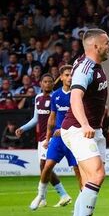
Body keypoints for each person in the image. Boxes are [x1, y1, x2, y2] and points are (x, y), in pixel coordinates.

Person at [59, 29, 109, 216]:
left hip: (94, 130)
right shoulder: (85, 67)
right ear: (95, 46)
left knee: (93, 179)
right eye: (107, 43)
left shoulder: (94, 66)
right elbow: (75, 97)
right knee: (97, 174)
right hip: (78, 129)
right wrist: (85, 124)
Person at [16, 73, 73, 209]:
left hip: (53, 137)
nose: (47, 84)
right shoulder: (37, 98)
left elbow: (58, 117)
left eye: (50, 82)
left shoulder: (56, 97)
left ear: (54, 84)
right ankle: (52, 197)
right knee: (43, 167)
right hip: (41, 137)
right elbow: (36, 119)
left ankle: (56, 195)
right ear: (41, 83)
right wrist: (23, 128)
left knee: (45, 165)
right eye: (45, 81)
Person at [31, 65, 83, 210]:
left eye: (72, 75)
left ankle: (82, 202)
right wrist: (47, 139)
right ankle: (41, 195)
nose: (70, 77)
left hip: (73, 138)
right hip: (58, 139)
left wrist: (66, 129)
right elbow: (52, 118)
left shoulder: (78, 95)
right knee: (46, 166)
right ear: (61, 77)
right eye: (67, 75)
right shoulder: (56, 95)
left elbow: (81, 117)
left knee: (78, 170)